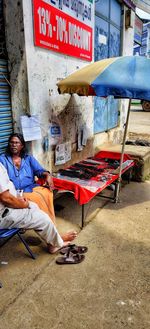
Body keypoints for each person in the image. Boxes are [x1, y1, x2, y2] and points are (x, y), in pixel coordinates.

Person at [0, 162, 73, 254]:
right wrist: (23, 205)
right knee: (42, 218)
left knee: (34, 205)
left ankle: (53, 239)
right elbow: (6, 198)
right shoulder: (4, 159)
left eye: (17, 145)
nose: (14, 146)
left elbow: (39, 170)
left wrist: (47, 174)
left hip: (14, 198)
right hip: (4, 212)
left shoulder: (27, 158)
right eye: (11, 145)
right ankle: (55, 243)